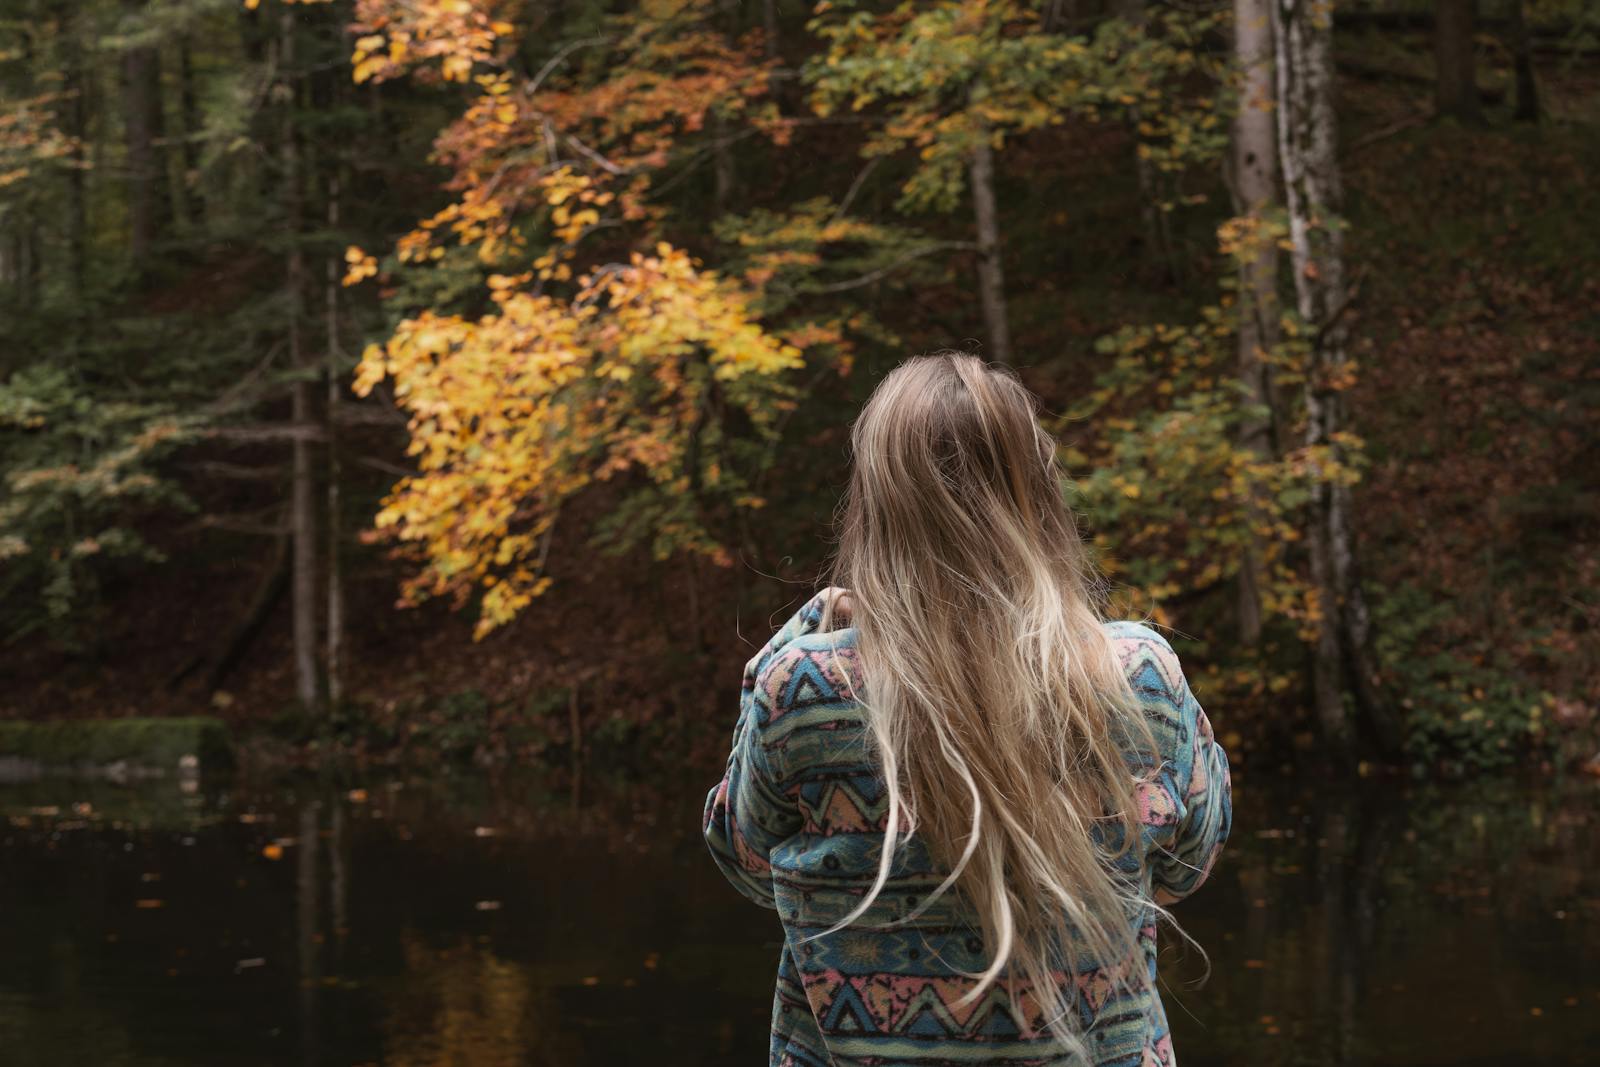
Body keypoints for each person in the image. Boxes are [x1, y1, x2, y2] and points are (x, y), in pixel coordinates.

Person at [703, 351, 1232, 1066]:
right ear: (1036, 491)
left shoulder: (803, 688)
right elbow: (1189, 861)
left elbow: (743, 858)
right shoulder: (1135, 673)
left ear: (877, 502)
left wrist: (807, 627)